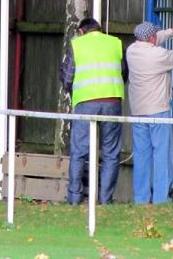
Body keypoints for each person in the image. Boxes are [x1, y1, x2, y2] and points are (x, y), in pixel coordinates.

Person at [60, 17, 127, 205]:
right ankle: (105, 199)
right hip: (112, 100)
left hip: (85, 101)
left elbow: (68, 76)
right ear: (99, 28)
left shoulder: (77, 45)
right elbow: (124, 73)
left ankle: (74, 198)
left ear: (81, 31)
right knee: (111, 152)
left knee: (79, 150)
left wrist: (69, 89)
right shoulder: (116, 43)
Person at [126, 20, 173, 204]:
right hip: (158, 110)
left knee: (141, 156)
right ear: (152, 37)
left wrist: (171, 31)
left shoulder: (131, 51)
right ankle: (161, 199)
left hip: (138, 111)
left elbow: (152, 39)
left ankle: (141, 199)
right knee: (161, 154)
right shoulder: (158, 55)